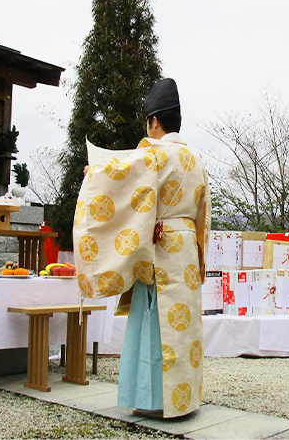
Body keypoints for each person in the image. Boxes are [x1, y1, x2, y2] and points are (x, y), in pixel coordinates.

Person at [73, 78, 211, 418]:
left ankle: (154, 401)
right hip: (187, 251)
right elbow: (204, 215)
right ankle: (186, 399)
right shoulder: (196, 158)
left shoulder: (153, 154)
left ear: (154, 121)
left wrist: (94, 175)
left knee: (156, 322)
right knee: (184, 325)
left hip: (161, 248)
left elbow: (117, 185)